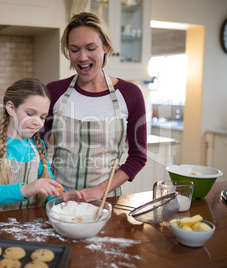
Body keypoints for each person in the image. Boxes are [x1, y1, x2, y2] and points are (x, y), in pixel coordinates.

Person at [40, 12, 147, 200]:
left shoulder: (130, 94)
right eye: (74, 49)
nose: (82, 57)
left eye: (91, 48)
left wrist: (99, 191)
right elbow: (37, 146)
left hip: (107, 200)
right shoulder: (54, 91)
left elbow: (138, 157)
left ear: (105, 46)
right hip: (58, 198)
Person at [0, 78, 82, 214]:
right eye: (30, 114)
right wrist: (27, 189)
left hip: (28, 225)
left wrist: (62, 196)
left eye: (42, 117)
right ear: (11, 108)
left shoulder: (38, 144)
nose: (37, 122)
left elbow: (49, 188)